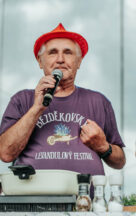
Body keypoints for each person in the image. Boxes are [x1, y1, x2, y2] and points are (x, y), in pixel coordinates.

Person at [0, 23, 125, 176]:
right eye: (53, 52)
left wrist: (104, 147)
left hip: (84, 198)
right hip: (32, 197)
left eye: (68, 53)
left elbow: (120, 162)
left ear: (79, 62)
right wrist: (36, 109)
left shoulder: (99, 101)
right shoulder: (21, 100)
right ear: (40, 61)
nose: (60, 59)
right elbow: (5, 154)